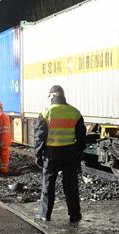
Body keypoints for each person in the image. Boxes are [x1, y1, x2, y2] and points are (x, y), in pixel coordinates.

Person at [34, 85, 86, 223]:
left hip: (52, 154)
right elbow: (81, 137)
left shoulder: (46, 113)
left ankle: (45, 214)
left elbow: (40, 136)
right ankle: (75, 215)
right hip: (70, 152)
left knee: (48, 184)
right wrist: (78, 153)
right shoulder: (75, 112)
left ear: (52, 96)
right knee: (71, 186)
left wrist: (38, 154)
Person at [0, 100, 12, 174]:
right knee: (2, 155)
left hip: (3, 141)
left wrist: (2, 142)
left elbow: (5, 132)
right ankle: (3, 169)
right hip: (1, 141)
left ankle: (4, 170)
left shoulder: (3, 117)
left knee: (4, 156)